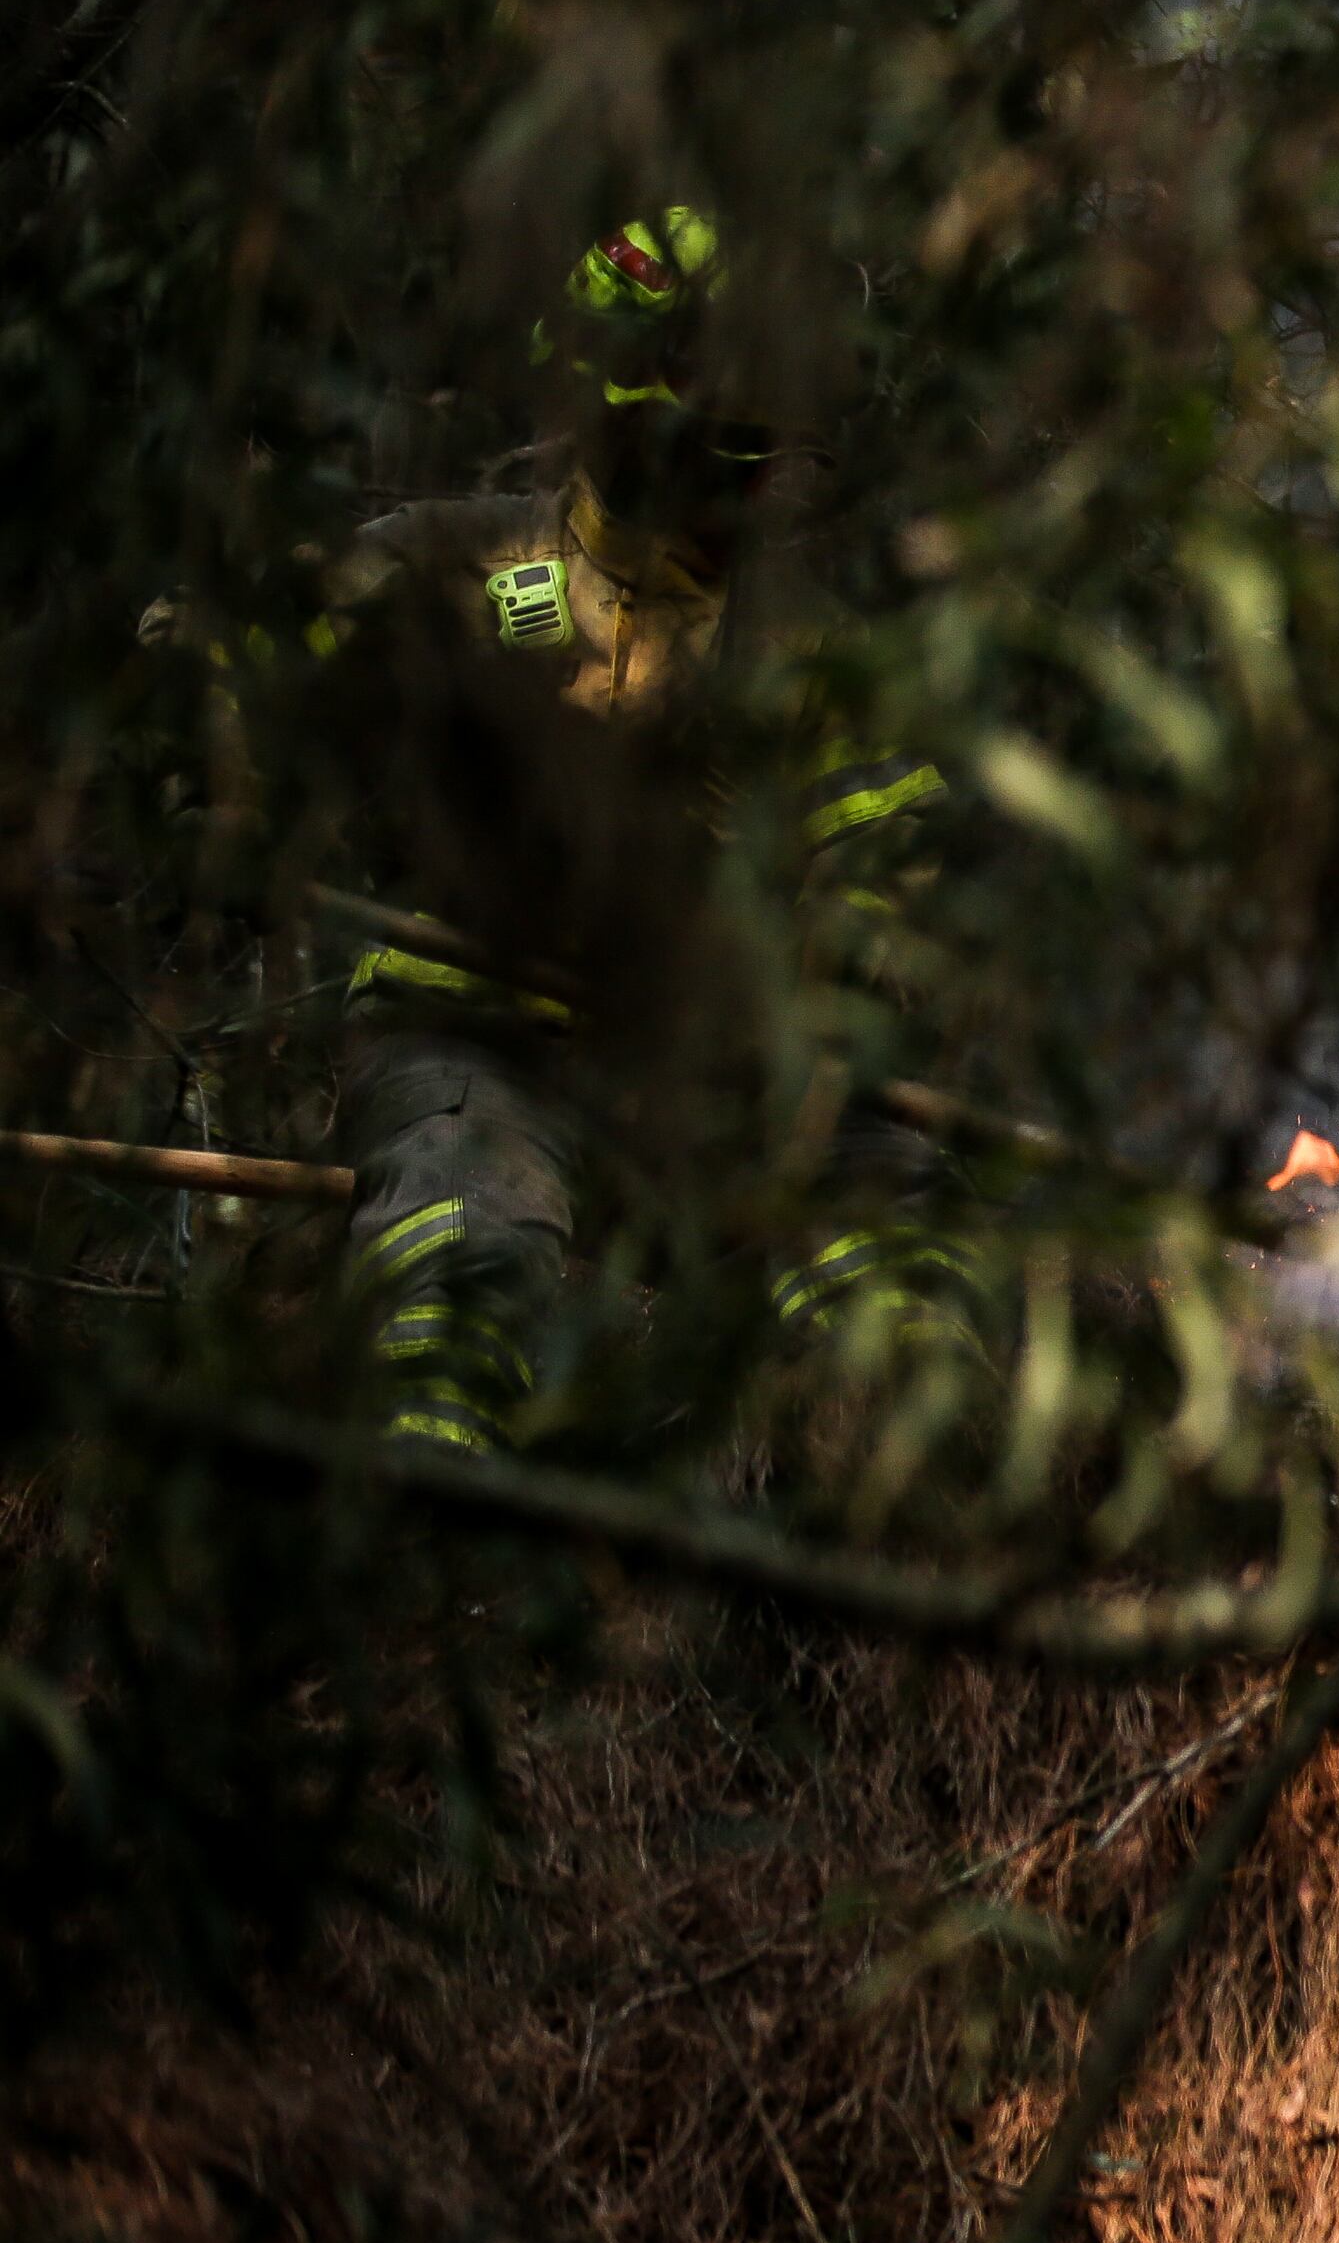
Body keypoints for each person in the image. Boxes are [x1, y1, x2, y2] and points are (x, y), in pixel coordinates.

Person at [306, 207, 965, 1452]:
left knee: (889, 1236)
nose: (752, 478)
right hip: (482, 1036)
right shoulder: (453, 562)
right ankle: (428, 1525)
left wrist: (838, 960)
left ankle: (893, 1499)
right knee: (458, 1226)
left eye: (766, 440)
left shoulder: (809, 648)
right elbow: (264, 652)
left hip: (711, 1077)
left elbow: (885, 873)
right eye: (721, 430)